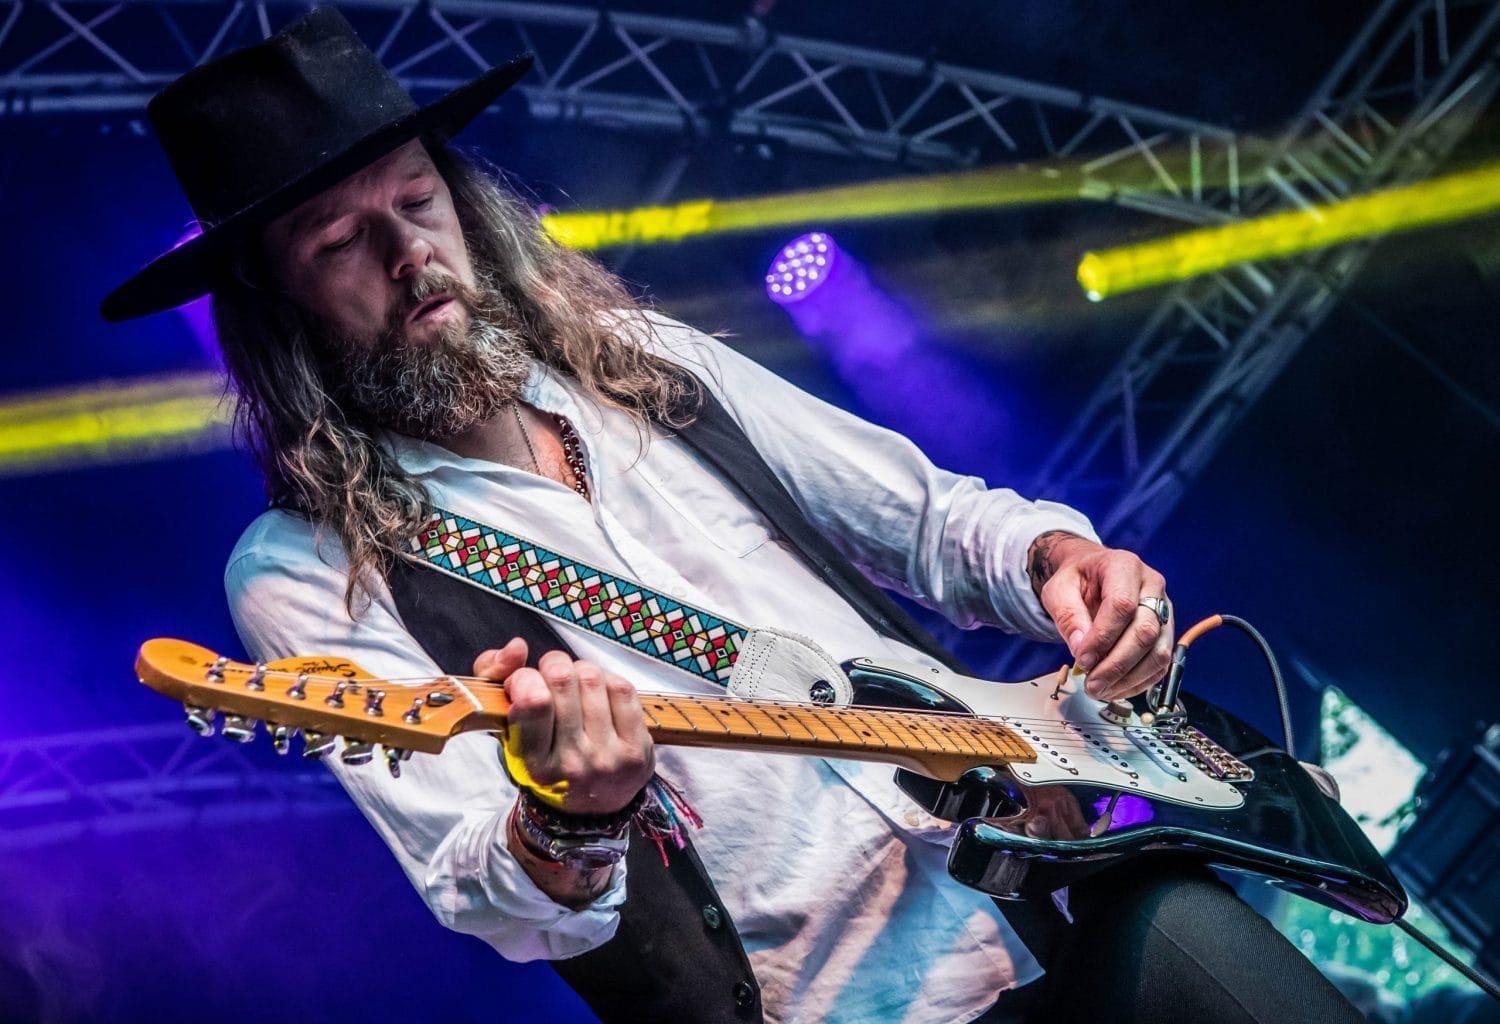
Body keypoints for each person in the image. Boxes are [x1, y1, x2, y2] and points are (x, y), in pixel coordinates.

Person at [103, 10, 1365, 1023]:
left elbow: (929, 520)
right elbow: (482, 886)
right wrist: (568, 812)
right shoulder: (305, 567)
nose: (409, 255)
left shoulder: (646, 360)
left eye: (418, 202)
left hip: (1054, 877)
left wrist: (1054, 557)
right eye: (341, 241)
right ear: (279, 304)